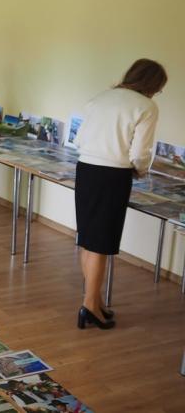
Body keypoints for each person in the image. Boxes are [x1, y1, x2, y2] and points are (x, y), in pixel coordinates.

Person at [74, 58, 167, 329]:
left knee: (88, 237)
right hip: (112, 175)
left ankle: (94, 300)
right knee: (101, 243)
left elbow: (79, 139)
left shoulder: (100, 98)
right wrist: (138, 170)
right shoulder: (146, 106)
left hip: (86, 169)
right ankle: (89, 306)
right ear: (152, 84)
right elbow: (140, 153)